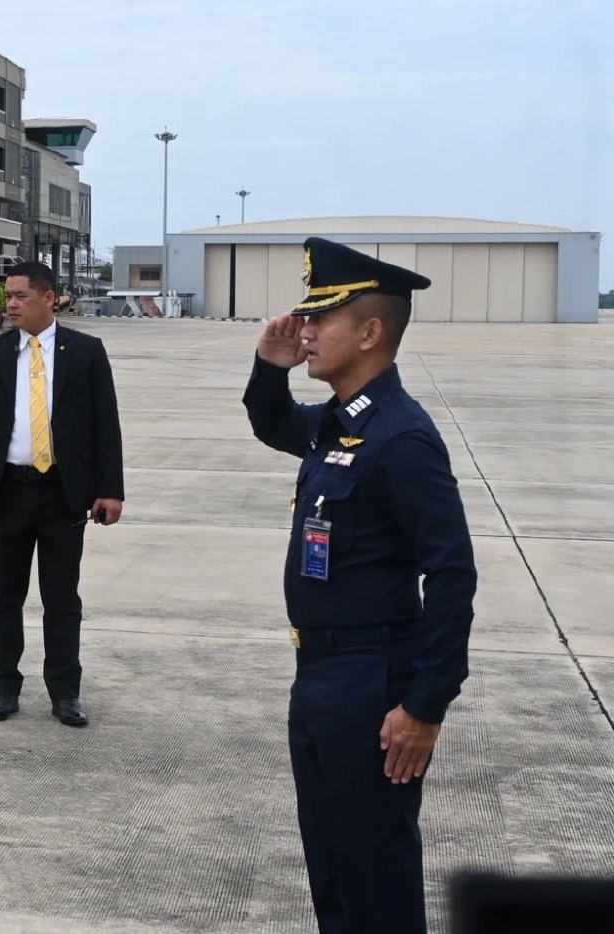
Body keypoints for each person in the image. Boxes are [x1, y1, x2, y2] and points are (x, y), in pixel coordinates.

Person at [243, 237, 478, 934]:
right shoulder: (342, 426)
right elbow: (274, 422)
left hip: (372, 683)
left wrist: (424, 705)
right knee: (335, 872)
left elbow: (453, 573)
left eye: (323, 319)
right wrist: (268, 367)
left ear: (371, 332)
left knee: (376, 877)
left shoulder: (400, 439)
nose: (306, 331)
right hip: (319, 673)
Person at [0, 260, 124, 727]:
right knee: (5, 597)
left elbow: (106, 424)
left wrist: (110, 489)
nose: (10, 304)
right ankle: (4, 688)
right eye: (7, 296)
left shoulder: (86, 351)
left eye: (20, 296)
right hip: (7, 491)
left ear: (49, 298)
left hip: (62, 494)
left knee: (62, 599)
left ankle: (66, 692)